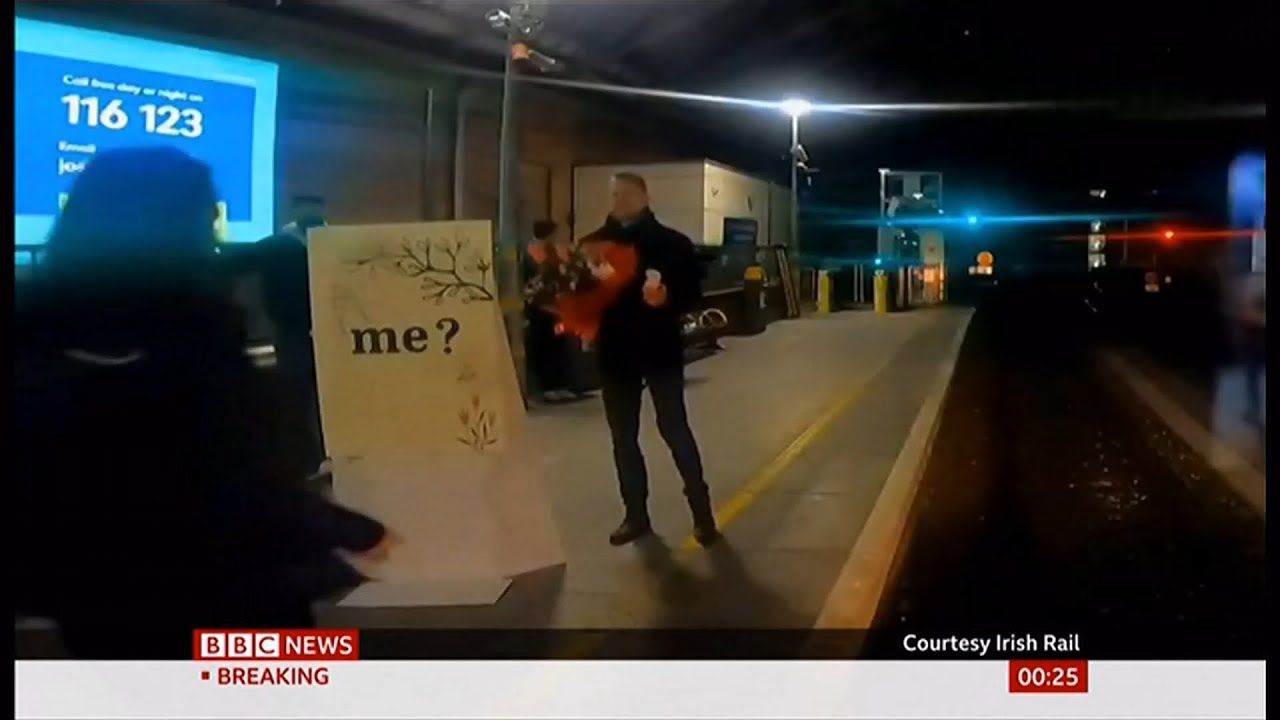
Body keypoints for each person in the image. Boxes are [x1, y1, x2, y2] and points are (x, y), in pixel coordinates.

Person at [15, 148, 396, 658]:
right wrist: (345, 530)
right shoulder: (193, 332)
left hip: (96, 603)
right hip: (222, 596)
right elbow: (227, 475)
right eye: (205, 214)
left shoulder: (37, 328)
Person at [589, 172, 719, 547]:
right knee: (623, 438)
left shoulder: (672, 244)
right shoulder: (594, 245)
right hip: (614, 353)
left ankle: (702, 514)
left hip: (659, 348)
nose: (620, 200)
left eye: (627, 194)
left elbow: (693, 295)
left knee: (674, 429)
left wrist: (666, 300)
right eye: (614, 194)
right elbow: (579, 295)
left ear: (645, 195)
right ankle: (635, 515)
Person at [257, 195, 329, 476]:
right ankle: (305, 458)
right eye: (306, 208)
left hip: (332, 332)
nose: (311, 213)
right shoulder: (275, 246)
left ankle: (329, 454)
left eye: (316, 208)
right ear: (295, 211)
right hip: (293, 332)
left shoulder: (338, 242)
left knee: (329, 397)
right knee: (297, 395)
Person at [523, 220, 577, 402]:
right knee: (544, 346)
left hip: (557, 306)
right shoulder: (531, 253)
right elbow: (529, 279)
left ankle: (560, 384)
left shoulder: (555, 251)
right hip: (539, 306)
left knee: (559, 345)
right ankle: (548, 386)